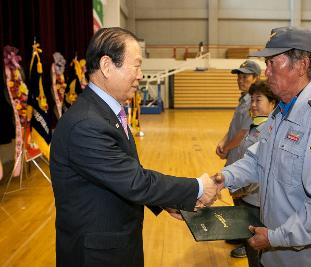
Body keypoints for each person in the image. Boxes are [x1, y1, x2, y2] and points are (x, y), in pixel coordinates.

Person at [50, 27, 218, 267]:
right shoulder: (87, 123)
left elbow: (121, 172)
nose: (140, 75)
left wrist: (164, 201)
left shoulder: (103, 111)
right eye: (136, 65)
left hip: (114, 244)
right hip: (96, 255)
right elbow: (134, 182)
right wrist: (198, 187)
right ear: (107, 66)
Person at [213, 26, 311, 267]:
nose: (266, 72)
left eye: (272, 63)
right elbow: (258, 160)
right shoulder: (280, 113)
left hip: (302, 258)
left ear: (301, 65)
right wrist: (223, 178)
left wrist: (275, 237)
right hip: (274, 251)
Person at [230, 80, 278, 266]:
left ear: (272, 103)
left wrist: (243, 190)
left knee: (259, 251)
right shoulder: (254, 125)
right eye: (252, 100)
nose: (253, 105)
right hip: (248, 198)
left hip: (258, 202)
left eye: (259, 100)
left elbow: (263, 168)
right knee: (250, 247)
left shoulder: (269, 130)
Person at [215, 60, 260, 258]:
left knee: (246, 202)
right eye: (239, 76)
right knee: (237, 198)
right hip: (235, 154)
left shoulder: (254, 102)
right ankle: (241, 234)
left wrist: (226, 147)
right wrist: (224, 141)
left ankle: (248, 241)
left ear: (256, 78)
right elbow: (234, 126)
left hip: (243, 156)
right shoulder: (244, 99)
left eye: (246, 76)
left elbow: (243, 133)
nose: (241, 80)